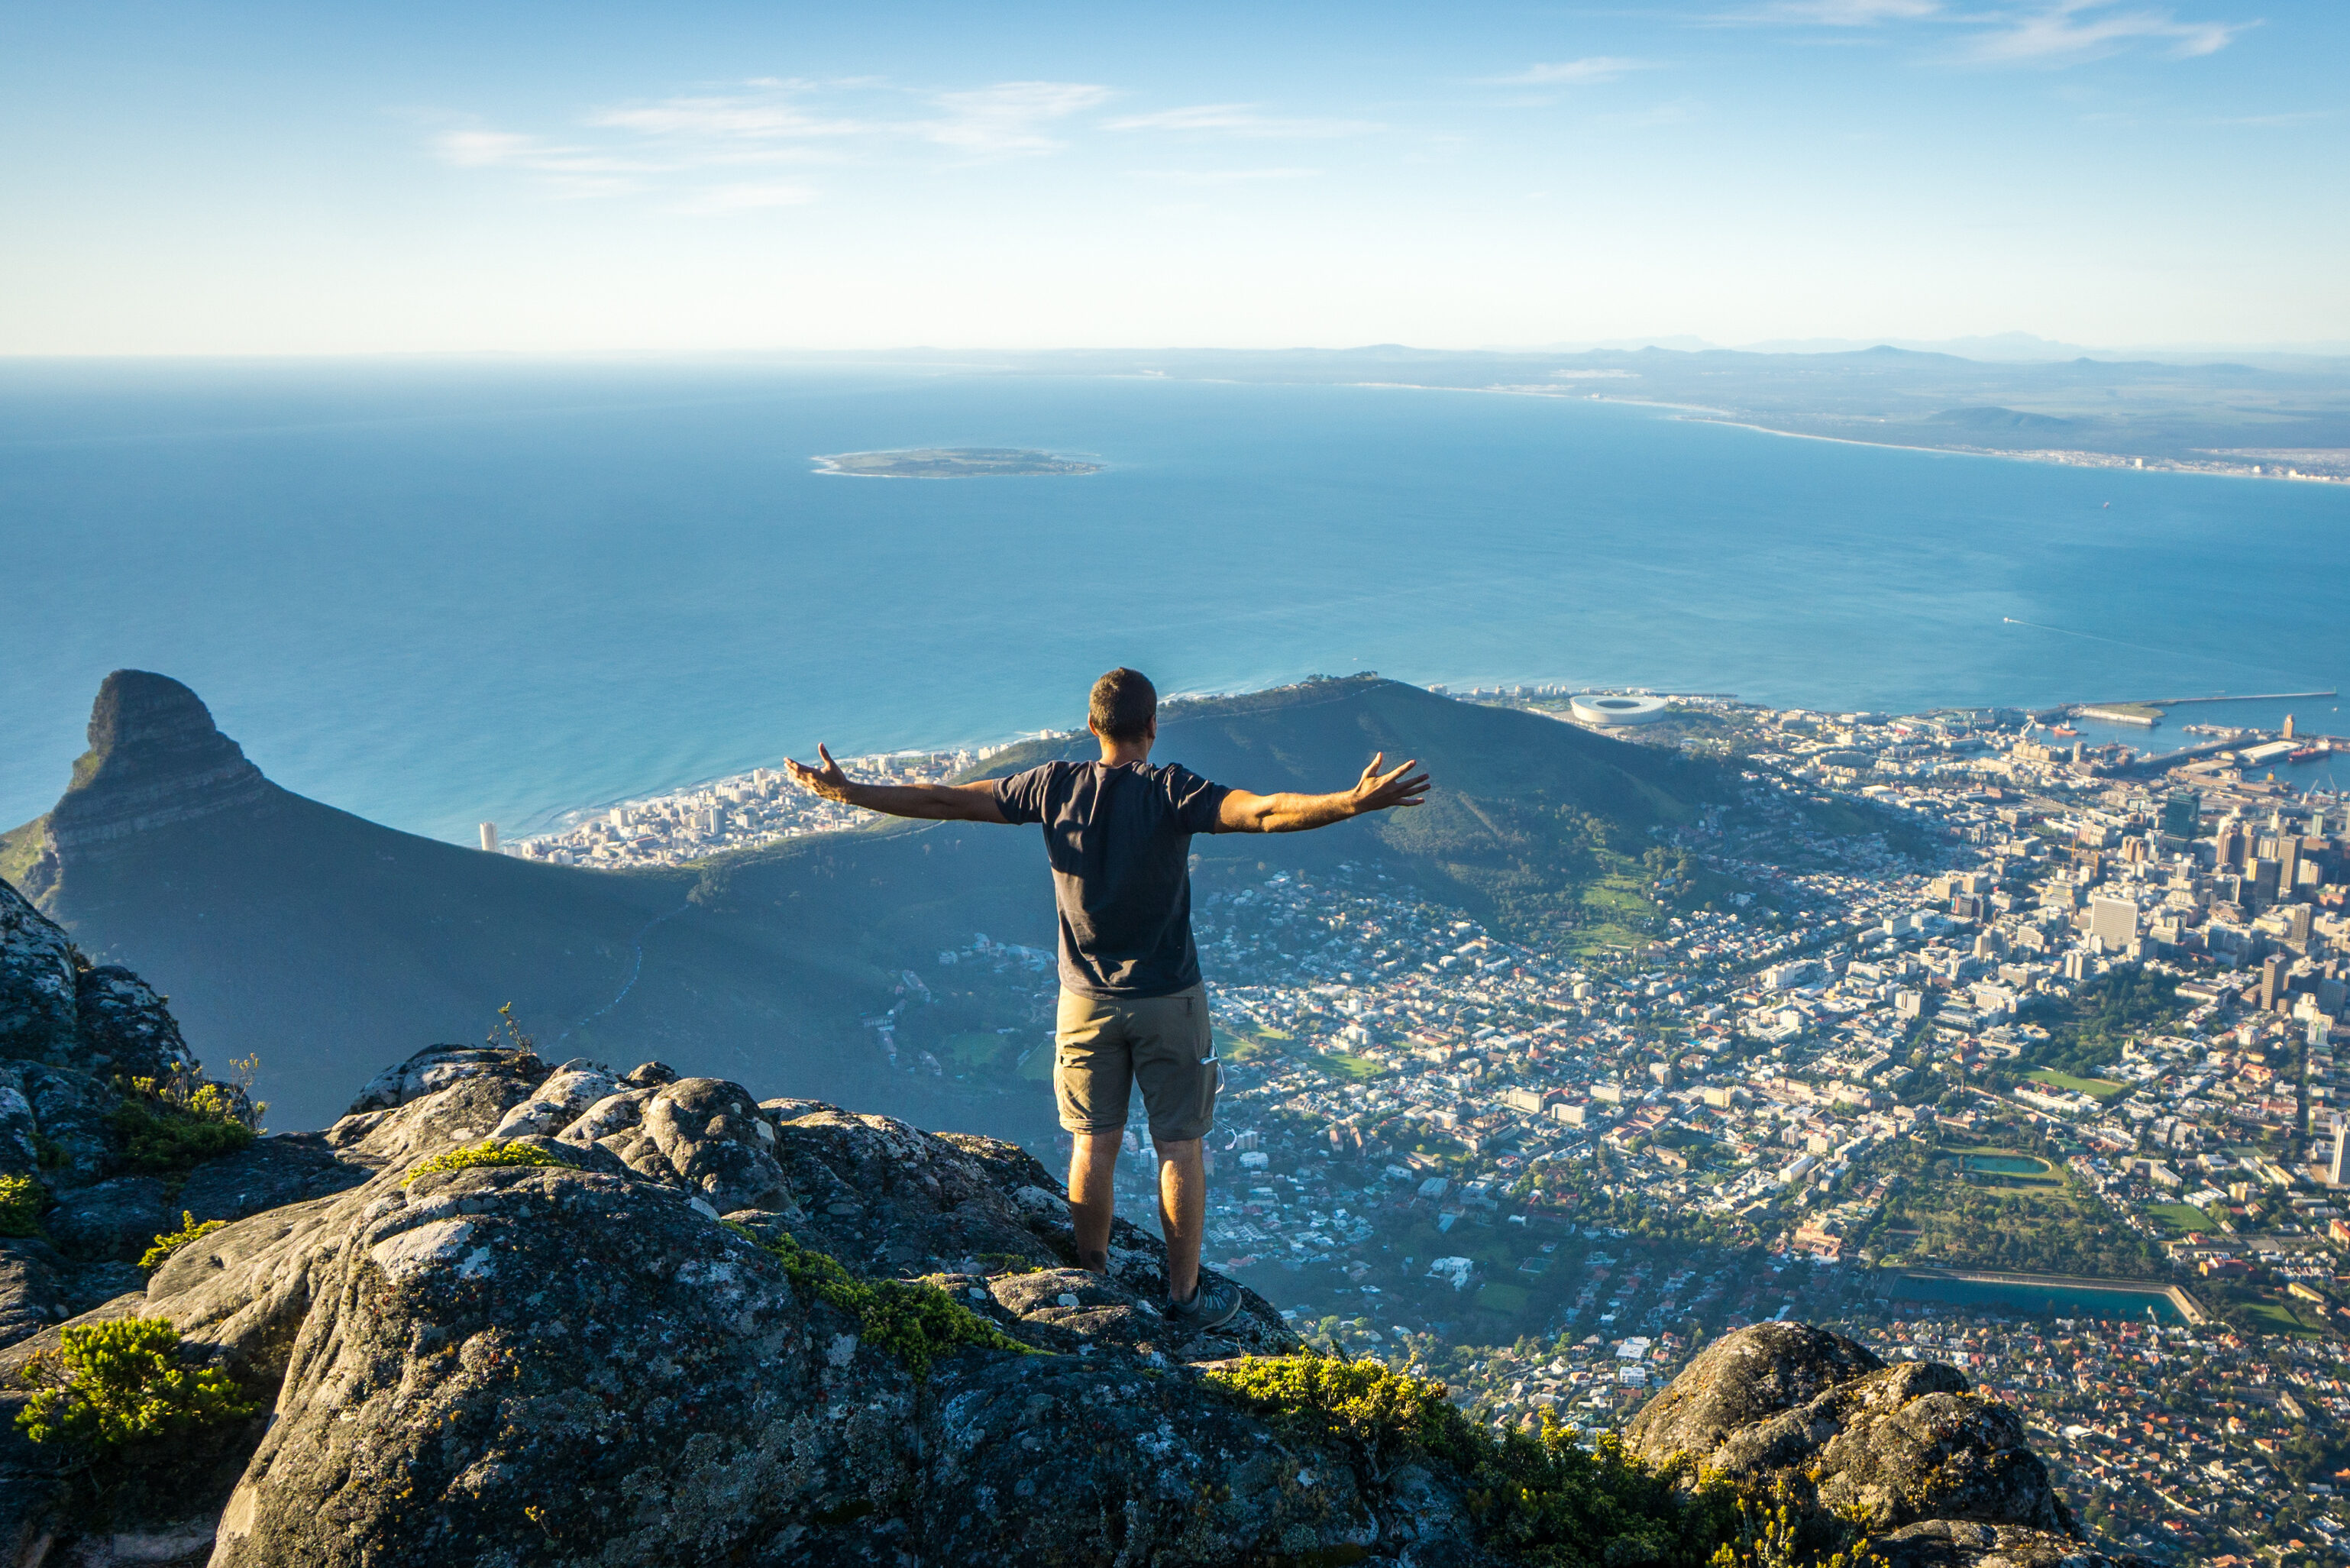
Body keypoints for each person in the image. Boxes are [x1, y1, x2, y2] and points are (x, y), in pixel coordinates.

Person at [784, 667, 1430, 1328]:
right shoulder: (1172, 789)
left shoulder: (1052, 785)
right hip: (1169, 998)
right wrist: (1350, 803)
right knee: (1180, 1146)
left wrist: (851, 792)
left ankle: (1089, 1278)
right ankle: (1184, 1300)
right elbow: (1262, 811)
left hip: (1084, 1000)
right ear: (1152, 726)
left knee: (1092, 1141)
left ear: (1092, 726)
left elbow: (946, 799)